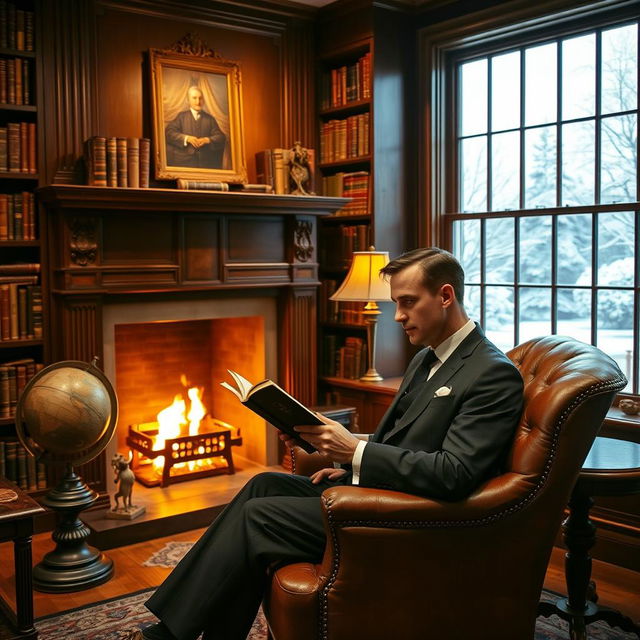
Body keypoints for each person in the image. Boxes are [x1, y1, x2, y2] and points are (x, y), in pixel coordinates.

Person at [131, 247, 524, 640]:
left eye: (407, 302)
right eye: (396, 304)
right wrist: (338, 451)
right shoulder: (426, 358)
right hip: (378, 488)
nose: (399, 316)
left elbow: (455, 474)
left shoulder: (491, 373)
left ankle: (169, 635)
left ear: (445, 296)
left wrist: (354, 451)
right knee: (260, 485)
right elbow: (399, 440)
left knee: (258, 519)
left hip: (408, 517)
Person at [165, 86, 226, 169]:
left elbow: (221, 137)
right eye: (194, 98)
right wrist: (187, 138)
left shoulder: (210, 119)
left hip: (205, 164)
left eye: (200, 98)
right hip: (184, 164)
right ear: (188, 100)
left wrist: (207, 140)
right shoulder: (181, 117)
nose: (198, 102)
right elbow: (169, 132)